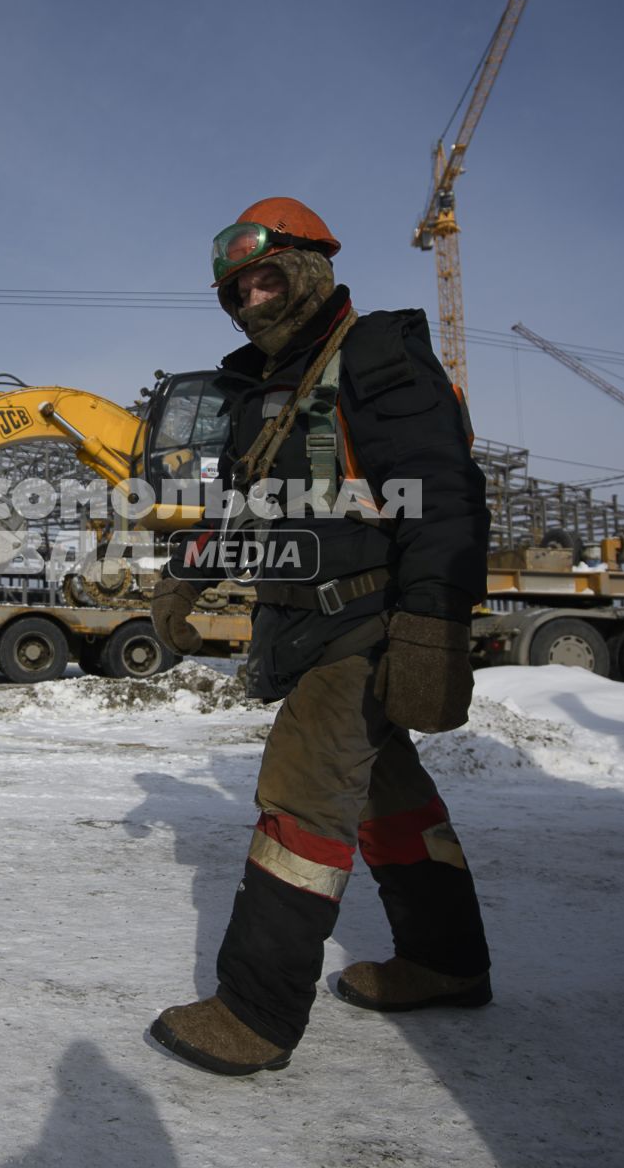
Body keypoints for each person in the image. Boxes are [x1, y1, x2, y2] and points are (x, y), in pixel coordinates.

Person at [146, 198, 493, 1076]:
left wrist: (431, 631)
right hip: (305, 627)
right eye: (238, 287)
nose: (254, 296)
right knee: (389, 800)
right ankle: (445, 963)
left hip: (366, 626)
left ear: (309, 267)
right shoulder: (264, 388)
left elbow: (443, 496)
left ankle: (255, 1014)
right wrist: (187, 575)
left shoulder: (376, 355)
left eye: (268, 275)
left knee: (301, 797)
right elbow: (245, 505)